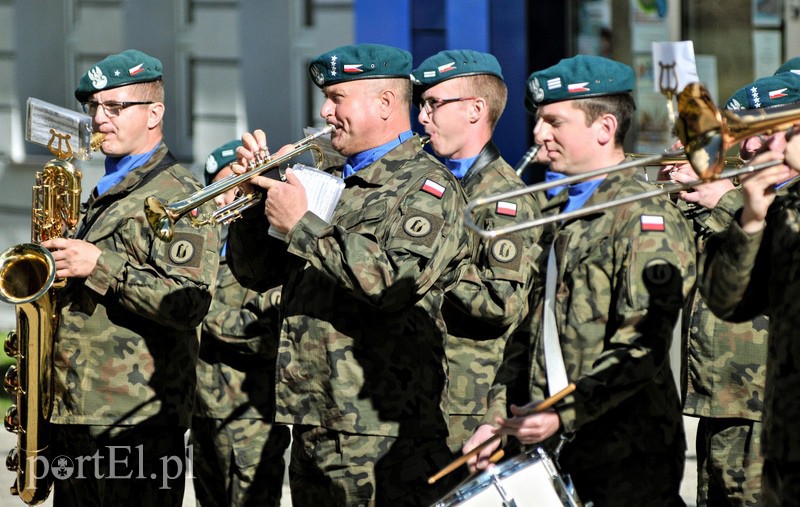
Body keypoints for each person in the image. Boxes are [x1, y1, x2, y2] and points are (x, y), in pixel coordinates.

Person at [226, 43, 473, 506]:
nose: (325, 111)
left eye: (337, 98)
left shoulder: (427, 186)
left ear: (385, 103)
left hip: (383, 431)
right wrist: (254, 203)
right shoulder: (329, 178)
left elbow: (392, 283)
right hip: (314, 413)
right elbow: (256, 273)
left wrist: (302, 223)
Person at [465, 54, 697, 506]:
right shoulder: (555, 212)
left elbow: (643, 345)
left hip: (626, 456)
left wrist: (563, 414)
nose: (538, 134)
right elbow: (529, 332)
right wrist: (496, 419)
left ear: (604, 128)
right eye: (538, 121)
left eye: (554, 122)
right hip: (557, 447)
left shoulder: (643, 216)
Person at [39, 49, 220, 506]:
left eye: (116, 107)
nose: (100, 119)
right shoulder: (105, 189)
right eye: (94, 106)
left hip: (136, 418)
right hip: (75, 410)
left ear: (154, 114)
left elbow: (188, 303)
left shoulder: (180, 195)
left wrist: (98, 264)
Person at [671, 73, 800, 507]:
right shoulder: (760, 197)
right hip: (725, 397)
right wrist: (698, 199)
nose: (748, 147)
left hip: (762, 403)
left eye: (768, 131)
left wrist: (728, 201)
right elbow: (725, 296)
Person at [410, 49, 541, 453]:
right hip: (423, 392)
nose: (422, 117)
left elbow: (503, 303)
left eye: (433, 104)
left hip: (467, 406)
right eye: (421, 105)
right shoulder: (432, 184)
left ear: (475, 109)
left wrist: (435, 264)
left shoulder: (505, 199)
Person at [189, 140, 291, 507]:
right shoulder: (202, 246)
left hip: (250, 416)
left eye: (234, 187)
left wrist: (195, 313)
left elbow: (264, 326)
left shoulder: (268, 252)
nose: (224, 198)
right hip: (202, 410)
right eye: (218, 189)